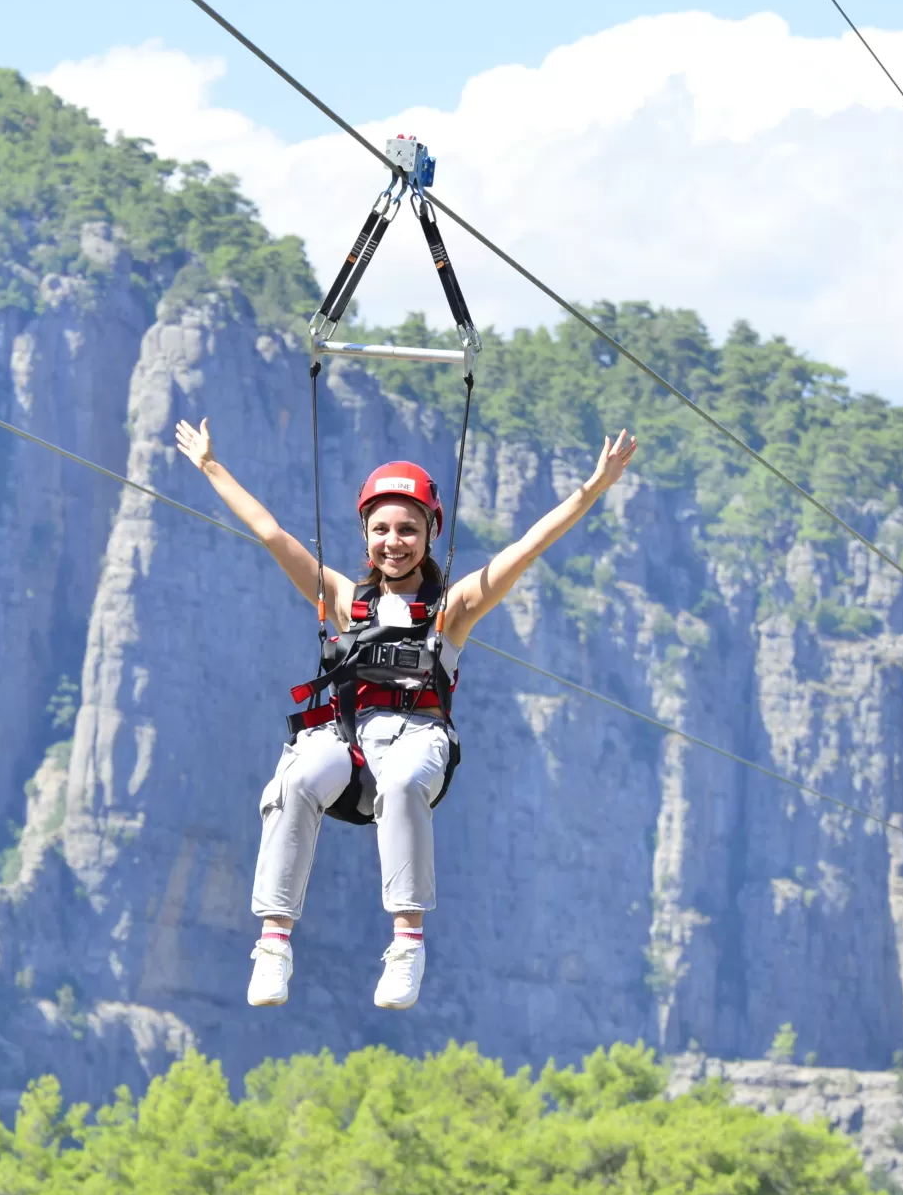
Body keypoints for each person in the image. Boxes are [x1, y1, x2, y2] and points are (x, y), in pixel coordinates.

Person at [173, 417, 638, 1011]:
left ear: (430, 534)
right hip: (350, 737)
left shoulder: (454, 607)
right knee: (292, 780)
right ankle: (273, 941)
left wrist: (592, 489)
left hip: (420, 739)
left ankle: (407, 944)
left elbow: (528, 548)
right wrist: (212, 465)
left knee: (399, 782)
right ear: (365, 535)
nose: (394, 541)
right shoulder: (345, 600)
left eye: (408, 530)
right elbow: (272, 533)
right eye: (382, 529)